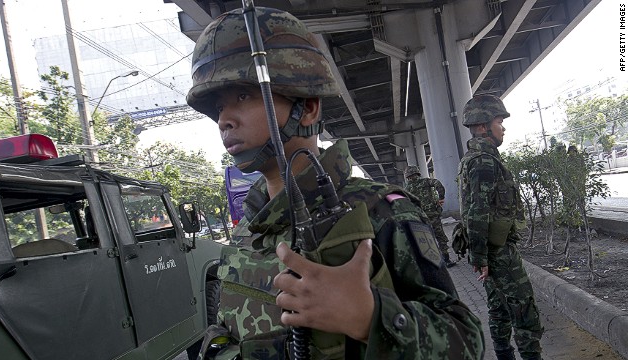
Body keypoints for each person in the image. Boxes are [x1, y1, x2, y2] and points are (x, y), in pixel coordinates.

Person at [186, 6, 484, 360]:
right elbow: (227, 328)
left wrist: (371, 317)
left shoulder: (380, 212)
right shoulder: (248, 230)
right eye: (218, 107)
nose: (224, 120)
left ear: (308, 108)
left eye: (243, 96)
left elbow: (466, 341)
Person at [457, 94, 544, 360]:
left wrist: (479, 256)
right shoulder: (484, 161)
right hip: (499, 252)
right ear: (483, 126)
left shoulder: (472, 159)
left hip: (490, 250)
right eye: (499, 121)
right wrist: (482, 257)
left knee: (498, 307)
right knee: (523, 309)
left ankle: (505, 354)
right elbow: (477, 210)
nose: (503, 127)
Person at [403, 165, 456, 267]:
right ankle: (446, 260)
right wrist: (441, 198)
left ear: (407, 176)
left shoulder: (406, 189)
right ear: (417, 173)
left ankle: (431, 263)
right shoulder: (426, 181)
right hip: (433, 215)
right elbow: (438, 184)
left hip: (419, 218)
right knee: (440, 236)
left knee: (424, 240)